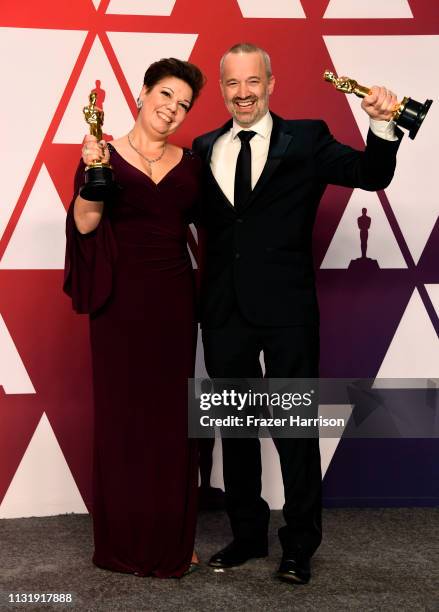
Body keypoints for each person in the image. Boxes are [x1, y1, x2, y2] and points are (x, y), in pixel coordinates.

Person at [192, 43, 402, 584]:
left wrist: (380, 124)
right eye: (232, 83)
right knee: (235, 430)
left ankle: (299, 545)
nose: (242, 93)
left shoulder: (306, 138)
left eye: (252, 82)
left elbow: (371, 174)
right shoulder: (201, 146)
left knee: (293, 429)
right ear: (221, 89)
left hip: (287, 310)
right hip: (223, 311)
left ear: (271, 82)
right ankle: (245, 535)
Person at [64, 58, 204, 578]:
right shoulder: (103, 152)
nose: (172, 109)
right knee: (124, 419)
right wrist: (89, 175)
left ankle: (174, 537)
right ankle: (121, 540)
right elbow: (84, 225)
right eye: (165, 95)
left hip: (173, 301)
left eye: (184, 104)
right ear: (143, 93)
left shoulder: (191, 164)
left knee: (171, 421)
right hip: (119, 301)